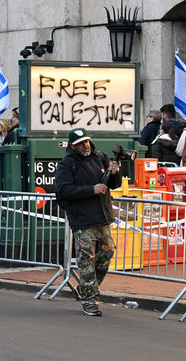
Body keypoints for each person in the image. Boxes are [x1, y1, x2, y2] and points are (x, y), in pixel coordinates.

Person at [54, 128, 121, 317]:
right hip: (83, 220)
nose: (85, 146)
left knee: (106, 256)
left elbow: (113, 184)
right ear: (72, 145)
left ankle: (86, 290)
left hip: (103, 217)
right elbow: (64, 191)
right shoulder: (67, 165)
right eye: (81, 143)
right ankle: (90, 301)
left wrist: (115, 173)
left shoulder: (100, 157)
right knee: (86, 261)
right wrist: (91, 190)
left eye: (87, 141)